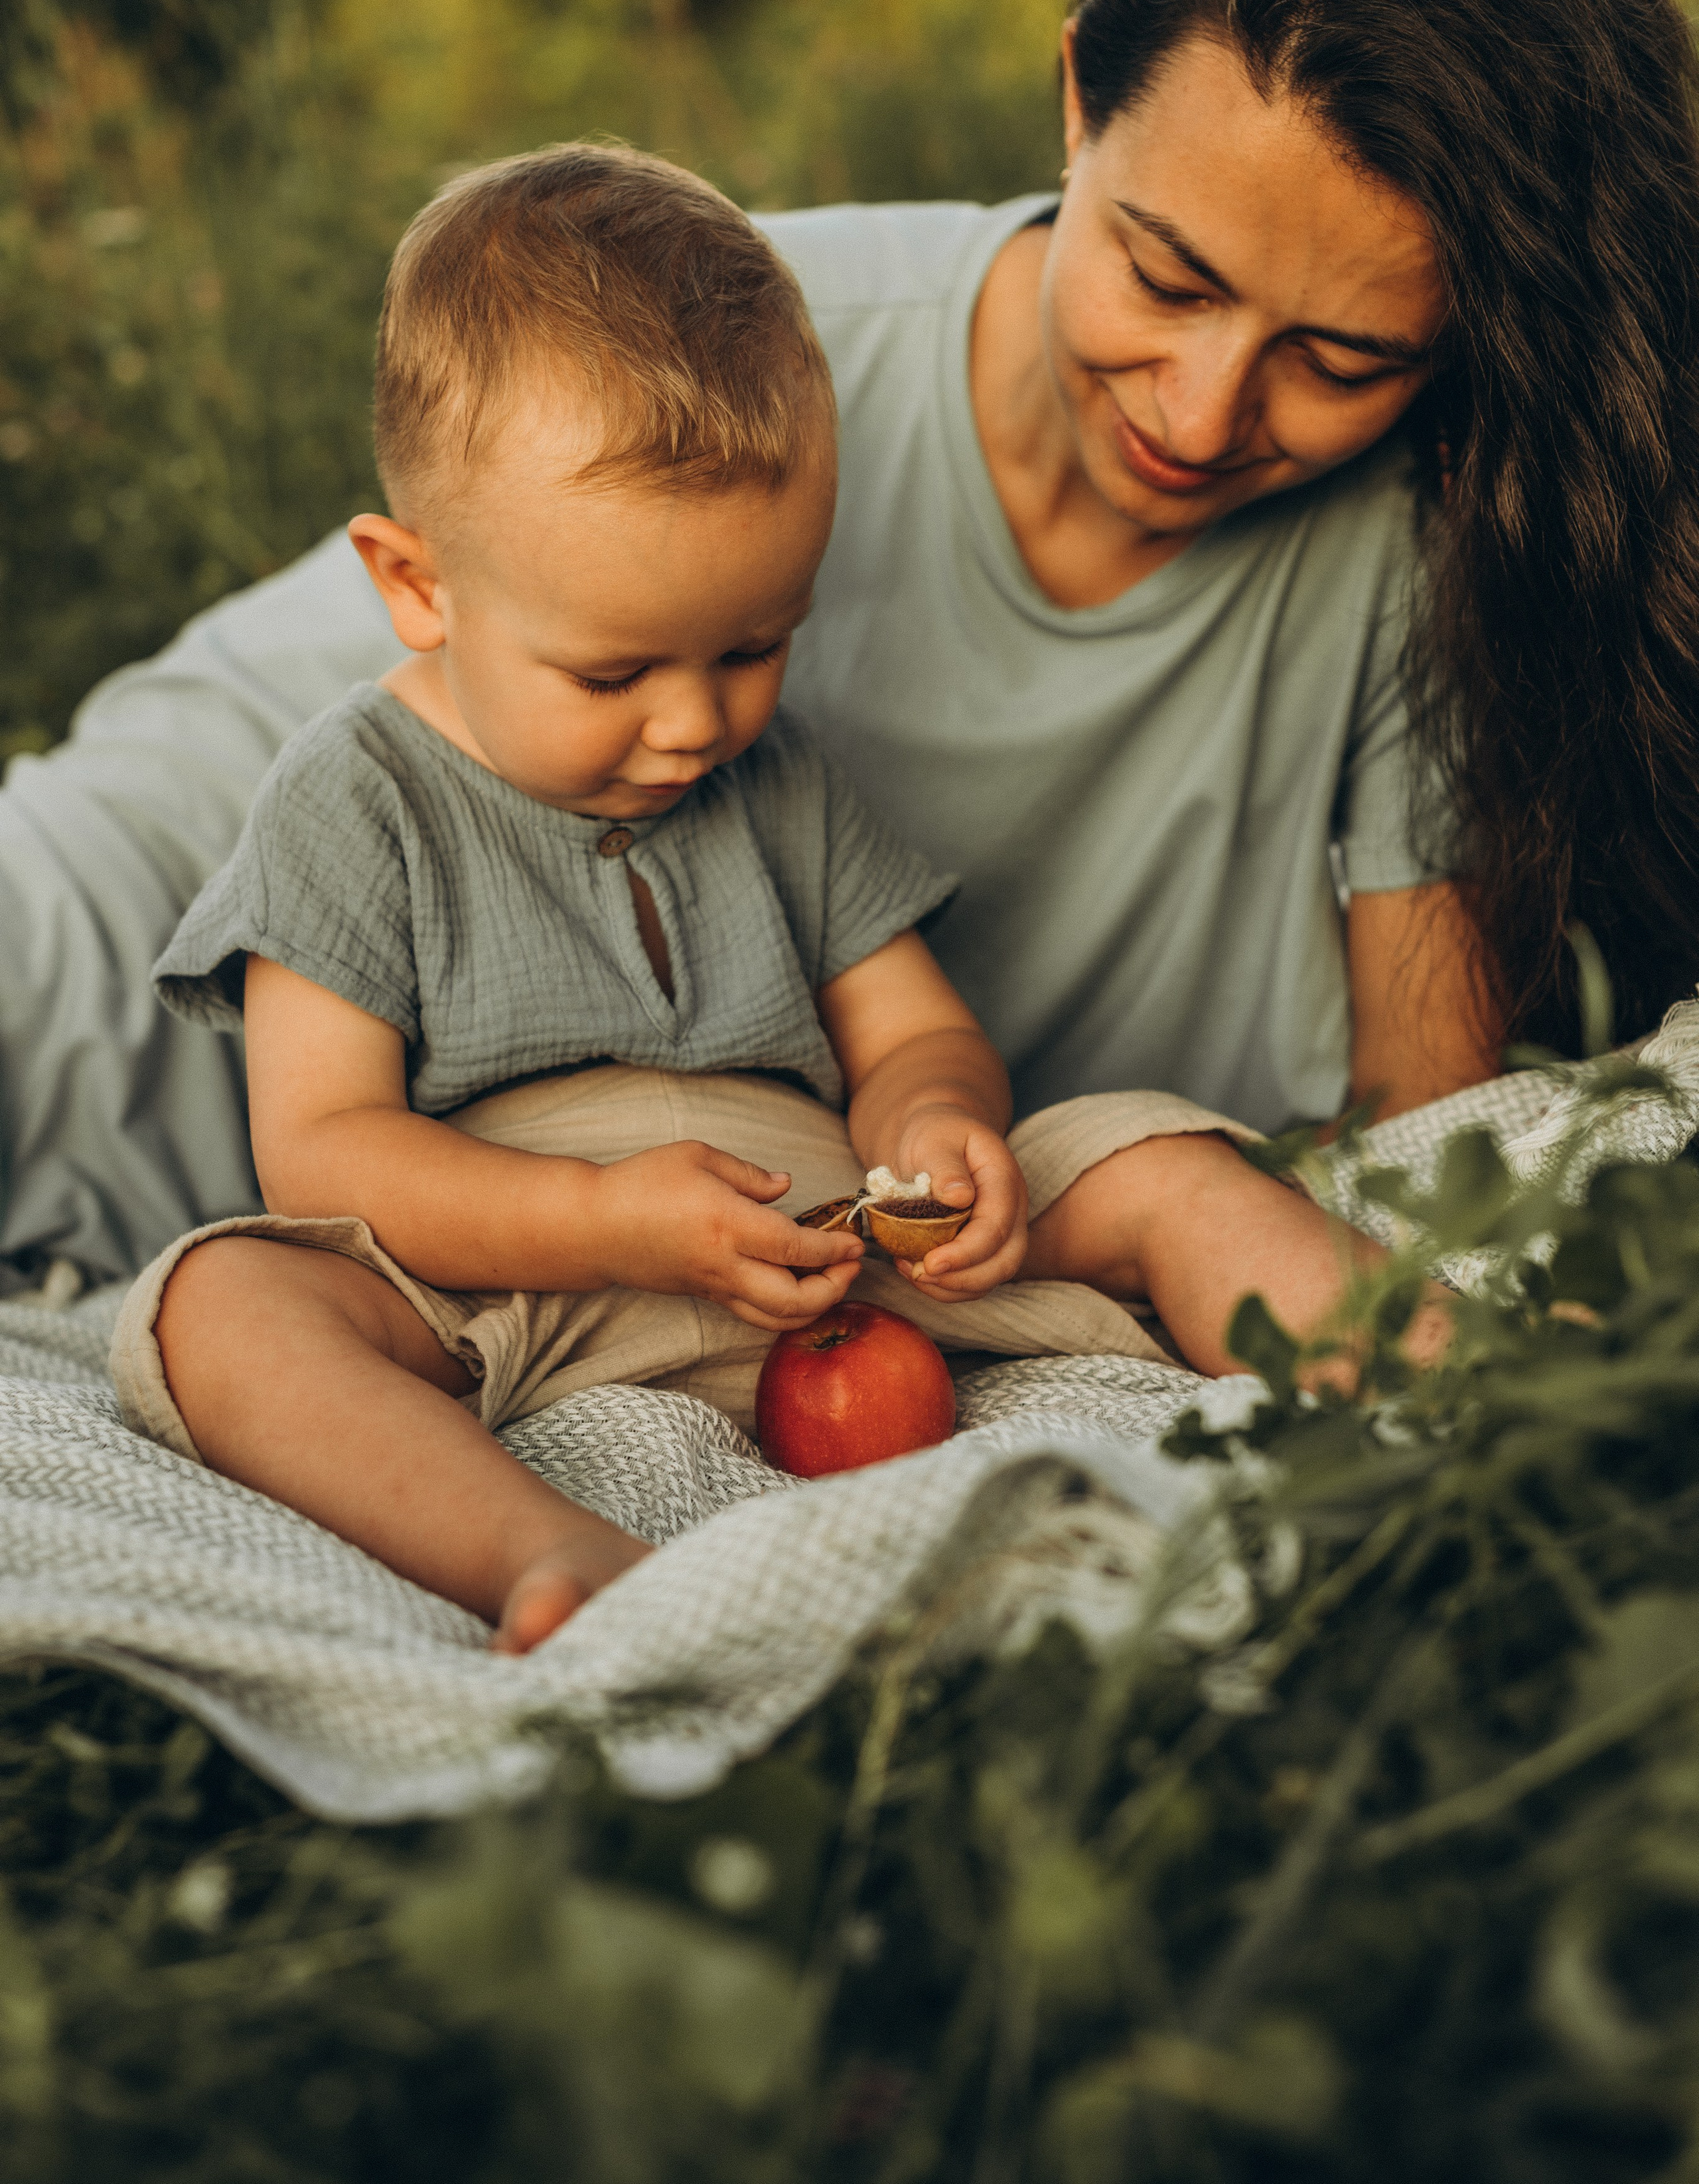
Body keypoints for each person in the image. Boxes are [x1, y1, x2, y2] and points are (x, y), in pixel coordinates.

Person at [108, 147, 1443, 1652]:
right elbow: (323, 1150)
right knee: (223, 1306)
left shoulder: (777, 774)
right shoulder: (353, 798)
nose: (694, 725)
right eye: (613, 672)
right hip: (515, 1277)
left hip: (833, 1241)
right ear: (418, 586)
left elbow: (911, 1032)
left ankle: (1457, 1391)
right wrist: (601, 1221)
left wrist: (933, 1129)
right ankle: (547, 1556)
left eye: (754, 648)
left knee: (1161, 1165)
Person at [769, 0, 1699, 1133]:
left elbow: (1426, 1140)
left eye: (1340, 363)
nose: (1201, 423)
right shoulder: (737, 357)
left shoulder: (1438, 527)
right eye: (1164, 279)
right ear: (1079, 101)